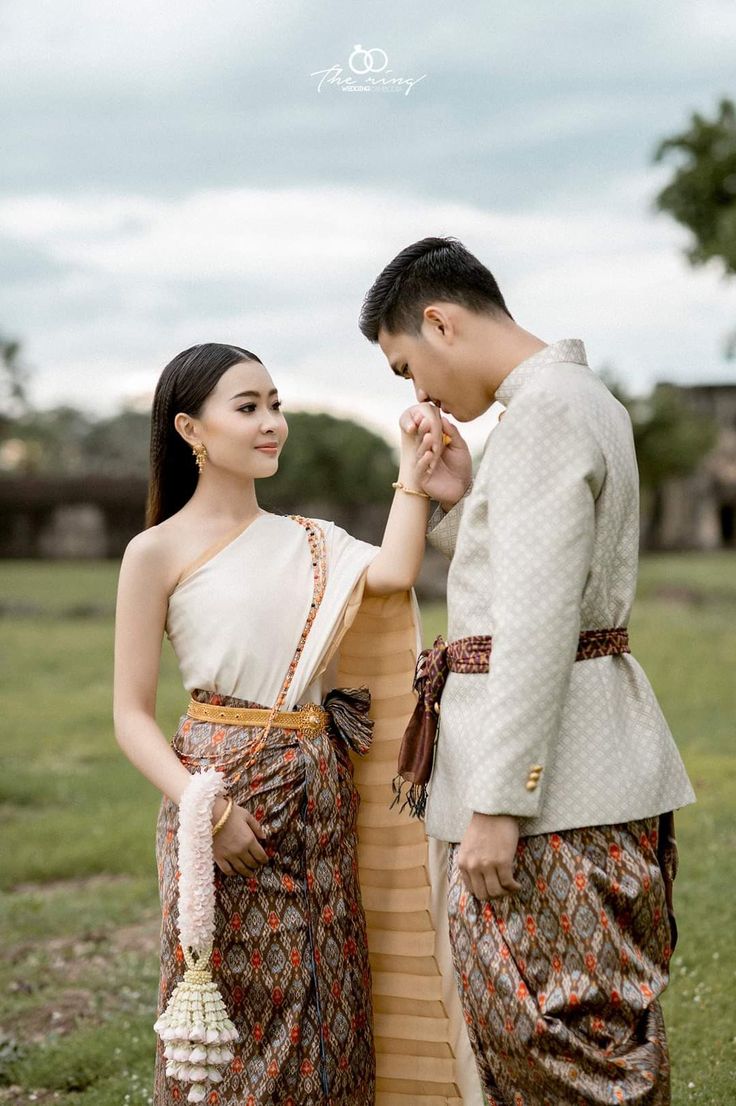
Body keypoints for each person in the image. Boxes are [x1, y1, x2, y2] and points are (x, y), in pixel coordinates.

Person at [359, 237, 696, 1106]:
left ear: (440, 321)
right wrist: (467, 497)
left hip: (554, 795)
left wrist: (500, 803)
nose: (419, 393)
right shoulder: (575, 400)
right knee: (587, 1028)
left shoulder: (545, 411)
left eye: (407, 367)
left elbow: (539, 621)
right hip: (591, 764)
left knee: (552, 1039)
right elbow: (546, 572)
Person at [113, 342, 485, 1106]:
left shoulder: (310, 541)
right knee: (232, 1010)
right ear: (190, 429)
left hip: (320, 794)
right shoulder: (154, 552)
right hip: (218, 800)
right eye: (248, 407)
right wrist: (206, 810)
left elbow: (391, 573)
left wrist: (414, 475)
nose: (271, 423)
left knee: (329, 995)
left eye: (275, 404)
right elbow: (129, 716)